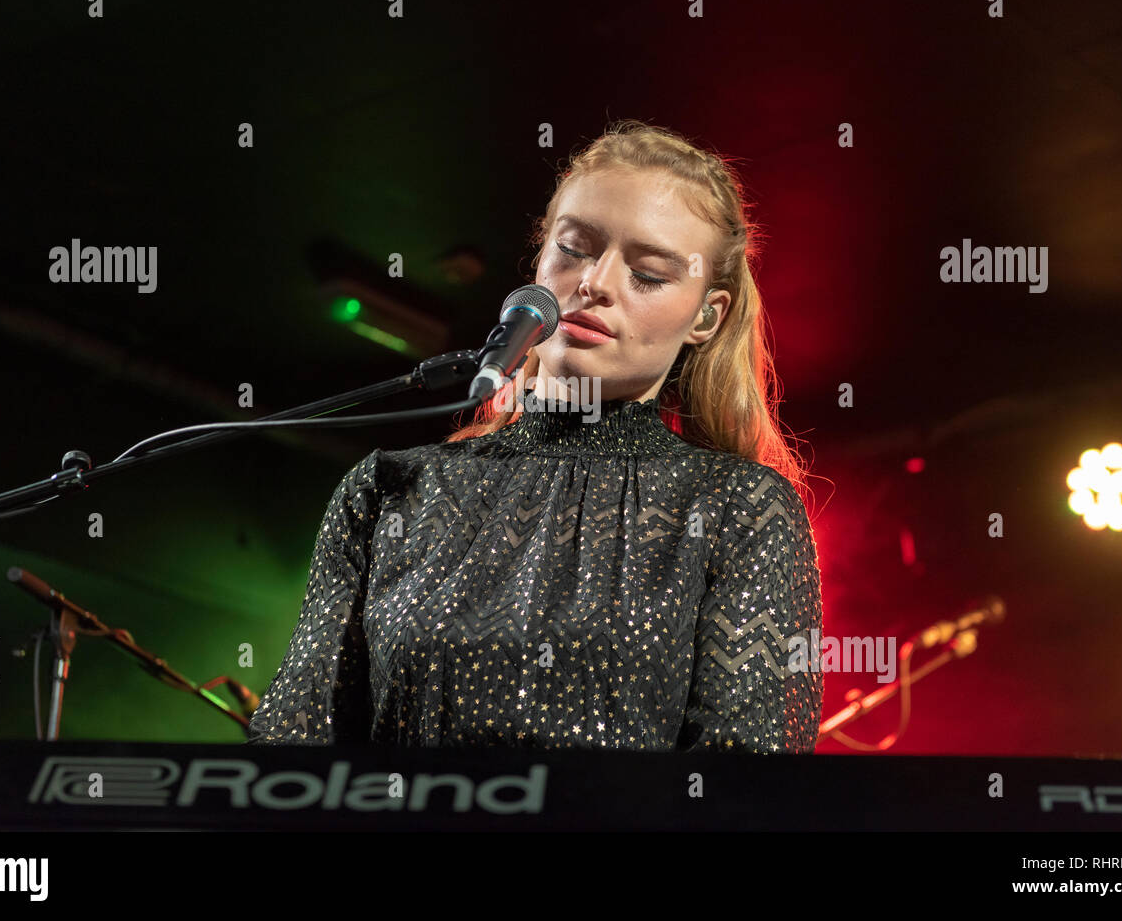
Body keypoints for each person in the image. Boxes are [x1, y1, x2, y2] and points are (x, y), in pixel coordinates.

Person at [247, 120, 822, 752]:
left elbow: (750, 783)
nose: (595, 283)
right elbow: (289, 750)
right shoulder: (390, 490)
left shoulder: (737, 506)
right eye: (573, 248)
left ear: (705, 318)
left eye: (650, 274)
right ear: (539, 258)